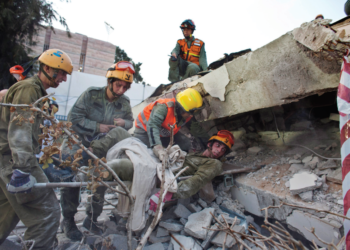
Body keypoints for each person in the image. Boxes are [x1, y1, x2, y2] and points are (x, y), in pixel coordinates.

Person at [0, 49, 73, 249]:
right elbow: (20, 129)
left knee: (7, 214)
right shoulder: (29, 89)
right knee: (47, 215)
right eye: (61, 73)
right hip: (14, 162)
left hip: (7, 159)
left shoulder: (37, 93)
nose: (64, 79)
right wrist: (23, 168)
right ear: (46, 68)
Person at [59, 61, 135, 241]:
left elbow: (130, 122)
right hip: (77, 142)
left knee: (99, 180)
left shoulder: (124, 102)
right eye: (118, 85)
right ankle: (68, 221)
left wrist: (125, 123)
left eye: (126, 87)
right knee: (70, 182)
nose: (121, 90)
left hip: (101, 145)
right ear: (110, 82)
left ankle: (91, 219)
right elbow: (73, 119)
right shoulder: (92, 94)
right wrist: (97, 126)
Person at [104, 130, 234, 203]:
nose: (219, 151)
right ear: (210, 144)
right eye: (218, 146)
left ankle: (93, 172)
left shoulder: (214, 163)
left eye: (223, 150)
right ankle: (90, 155)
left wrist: (167, 194)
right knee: (119, 133)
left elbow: (198, 180)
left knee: (118, 166)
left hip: (161, 171)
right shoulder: (197, 154)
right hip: (160, 158)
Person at [134, 88, 210, 161]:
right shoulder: (163, 107)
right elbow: (153, 126)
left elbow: (196, 129)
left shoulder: (187, 114)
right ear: (182, 108)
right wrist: (158, 147)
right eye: (191, 112)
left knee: (185, 143)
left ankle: (180, 164)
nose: (192, 115)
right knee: (151, 155)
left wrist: (210, 144)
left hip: (164, 134)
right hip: (145, 132)